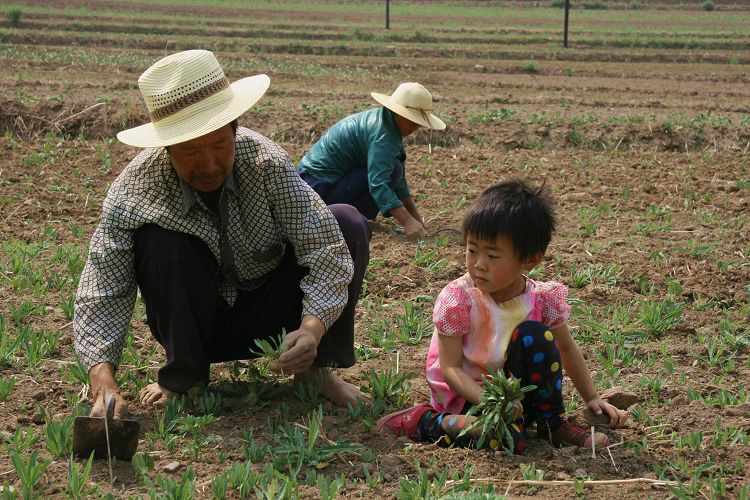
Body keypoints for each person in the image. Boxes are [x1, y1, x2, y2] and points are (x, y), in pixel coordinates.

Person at [74, 49, 370, 418]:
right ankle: (184, 379)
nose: (210, 165)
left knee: (345, 221)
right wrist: (103, 383)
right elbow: (103, 292)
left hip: (274, 319)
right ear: (166, 149)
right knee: (160, 240)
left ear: (235, 129)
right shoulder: (134, 191)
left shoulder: (265, 164)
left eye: (219, 145)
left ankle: (313, 371)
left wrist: (310, 330)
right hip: (198, 326)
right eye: (190, 152)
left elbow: (324, 249)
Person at [377, 179, 628, 452]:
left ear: (530, 260)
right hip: (469, 397)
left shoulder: (542, 299)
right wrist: (493, 402)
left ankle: (550, 425)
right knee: (506, 441)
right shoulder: (458, 299)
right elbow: (450, 369)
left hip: (518, 401)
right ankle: (426, 422)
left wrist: (592, 397)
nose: (478, 264)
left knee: (536, 336)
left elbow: (566, 348)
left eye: (493, 256)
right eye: (472, 250)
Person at [297, 82, 446, 239]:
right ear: (397, 113)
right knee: (392, 172)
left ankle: (358, 218)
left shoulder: (385, 123)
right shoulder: (384, 136)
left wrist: (416, 220)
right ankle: (354, 219)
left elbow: (400, 183)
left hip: (313, 185)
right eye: (411, 120)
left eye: (418, 123)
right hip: (316, 190)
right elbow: (378, 183)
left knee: (395, 170)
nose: (415, 127)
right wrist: (407, 221)